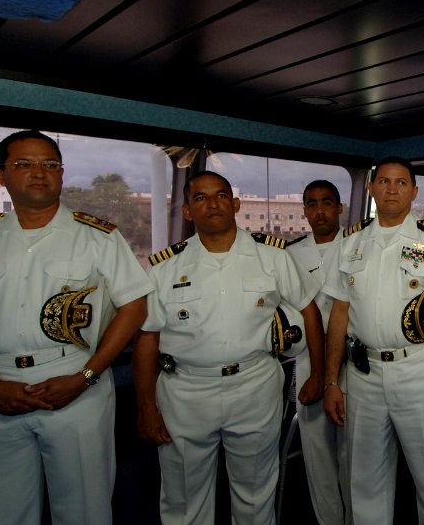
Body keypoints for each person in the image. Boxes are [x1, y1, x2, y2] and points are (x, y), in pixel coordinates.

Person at [0, 129, 152, 524]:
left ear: (62, 173)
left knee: (84, 511)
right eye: (24, 164)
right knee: (1, 512)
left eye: (49, 164)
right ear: (1, 175)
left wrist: (86, 375)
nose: (39, 172)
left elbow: (135, 306)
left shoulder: (98, 237)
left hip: (76, 384)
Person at [133, 170, 325, 525]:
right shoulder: (164, 268)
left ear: (235, 204)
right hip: (185, 392)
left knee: (255, 493)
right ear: (188, 211)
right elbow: (147, 337)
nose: (212, 204)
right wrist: (145, 407)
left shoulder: (272, 256)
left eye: (221, 195)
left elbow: (309, 310)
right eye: (201, 198)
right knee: (184, 499)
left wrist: (319, 374)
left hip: (254, 387)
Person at [323, 156, 424, 525]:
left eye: (401, 182)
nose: (392, 189)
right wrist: (330, 381)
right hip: (363, 375)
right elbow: (340, 313)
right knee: (364, 482)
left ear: (414, 191)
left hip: (420, 373)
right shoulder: (351, 242)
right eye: (384, 181)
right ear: (371, 189)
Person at [287, 179, 351, 525]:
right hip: (310, 360)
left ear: (340, 207)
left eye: (327, 202)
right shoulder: (290, 255)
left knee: (353, 456)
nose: (320, 210)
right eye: (312, 204)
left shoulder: (358, 246)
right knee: (318, 457)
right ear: (305, 211)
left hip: (354, 360)